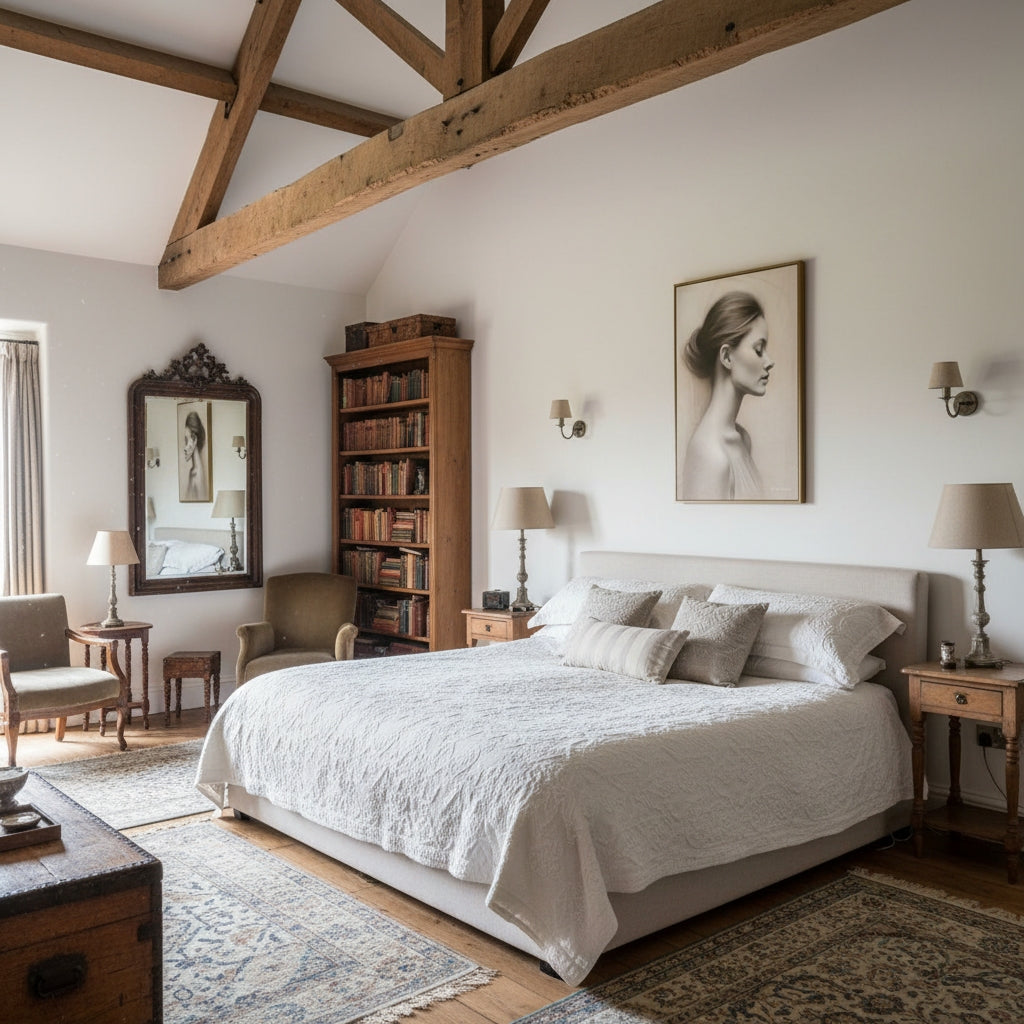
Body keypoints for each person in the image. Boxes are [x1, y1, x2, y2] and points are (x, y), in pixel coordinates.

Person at [679, 291, 773, 500]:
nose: (769, 361)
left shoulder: (742, 439)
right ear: (727, 356)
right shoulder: (709, 453)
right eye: (759, 350)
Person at [181, 409, 208, 501]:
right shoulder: (193, 471)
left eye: (186, 440)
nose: (184, 448)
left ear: (194, 440)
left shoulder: (197, 473)